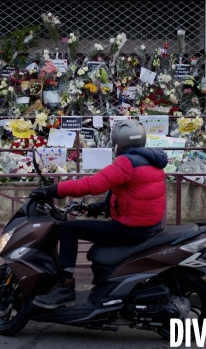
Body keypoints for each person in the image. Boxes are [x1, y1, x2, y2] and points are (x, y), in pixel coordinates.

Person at [31, 120, 168, 309]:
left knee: (69, 229)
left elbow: (92, 184)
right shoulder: (153, 162)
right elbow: (131, 194)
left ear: (118, 143)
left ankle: (65, 287)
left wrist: (53, 190)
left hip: (130, 229)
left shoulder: (127, 162)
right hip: (148, 226)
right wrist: (98, 207)